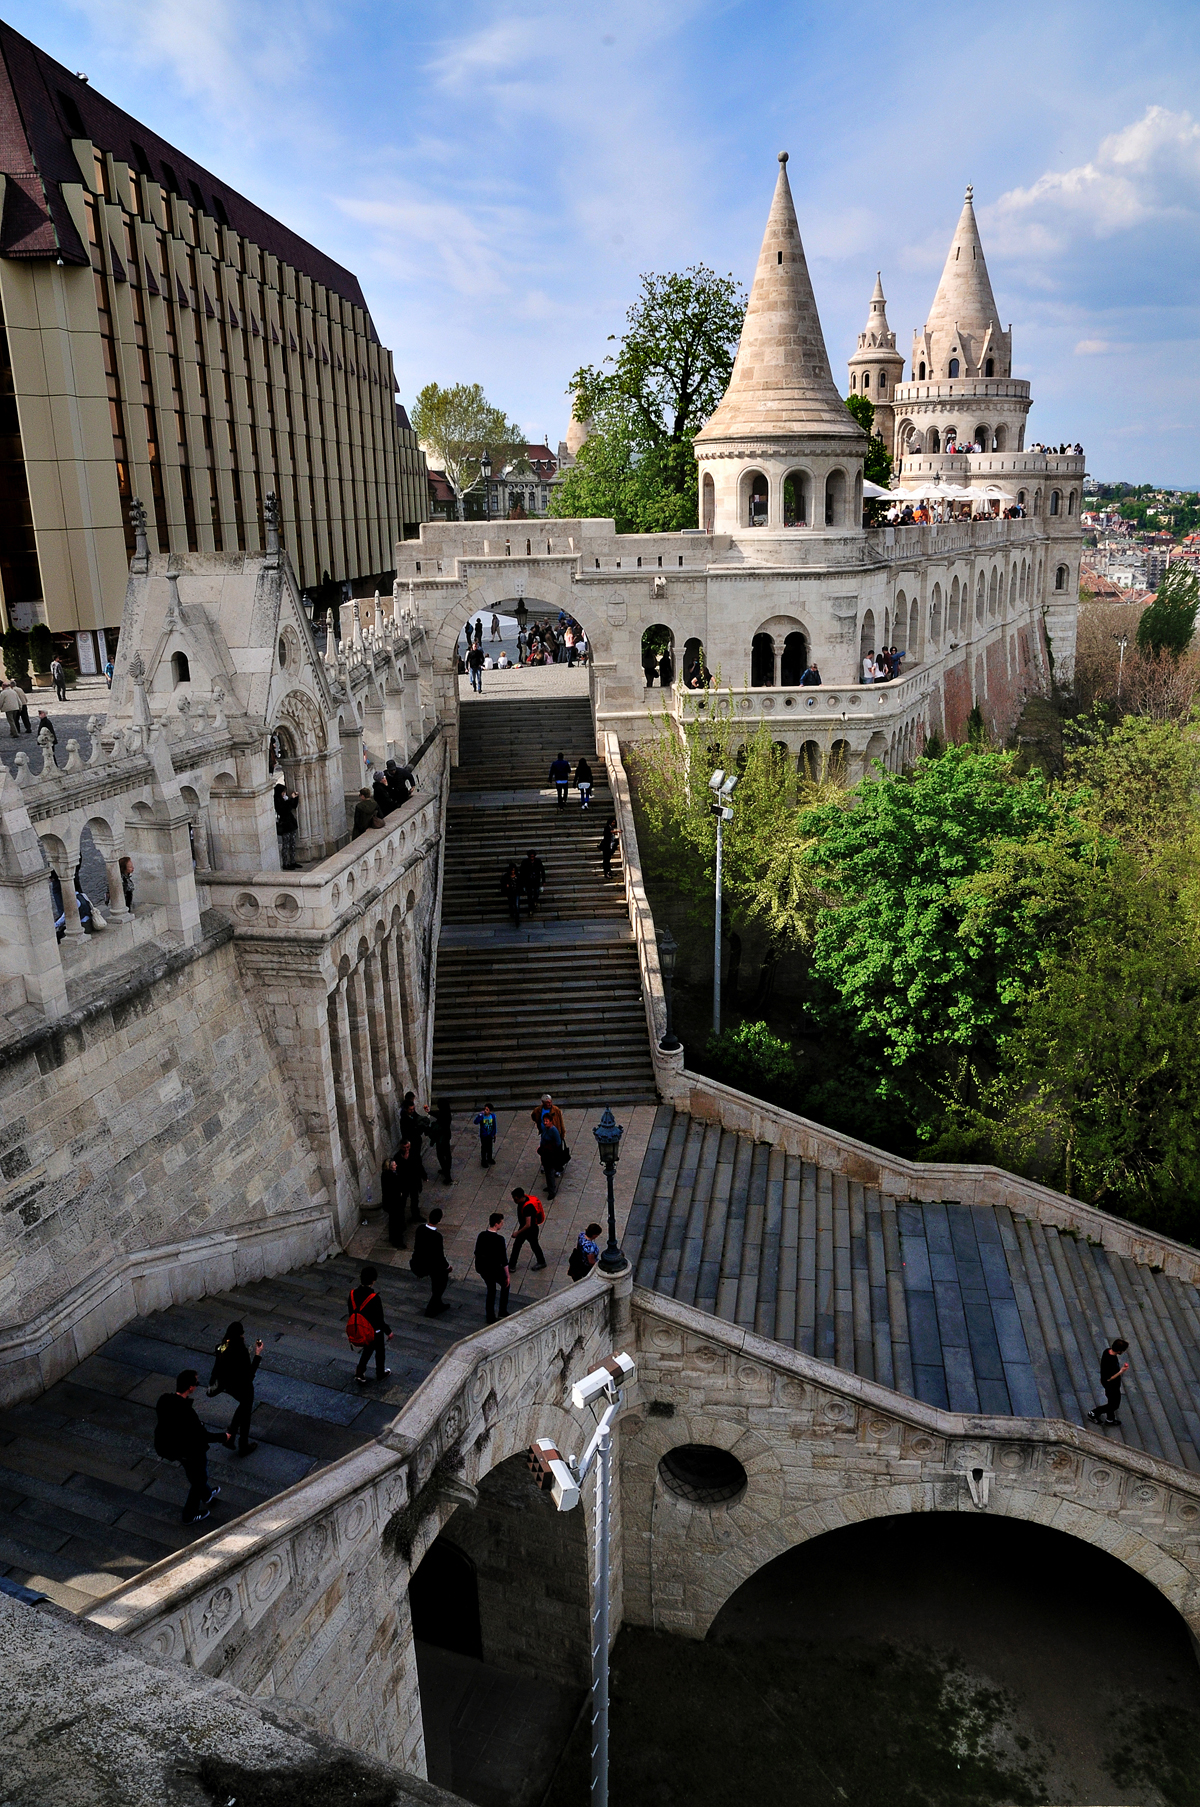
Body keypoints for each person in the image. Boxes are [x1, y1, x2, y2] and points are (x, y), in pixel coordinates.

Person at [154, 1368, 230, 1523]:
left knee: (194, 1473)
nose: (197, 1385)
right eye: (196, 1382)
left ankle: (207, 1494)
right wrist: (224, 1437)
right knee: (199, 1479)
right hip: (190, 1451)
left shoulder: (163, 1400)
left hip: (173, 1448)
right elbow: (203, 1435)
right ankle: (189, 1515)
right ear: (190, 1388)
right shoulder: (187, 1413)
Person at [207, 1321, 263, 1457]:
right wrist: (257, 1354)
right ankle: (240, 1443)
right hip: (243, 1386)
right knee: (246, 1408)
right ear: (240, 1335)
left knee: (244, 1408)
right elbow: (249, 1375)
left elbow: (218, 1357)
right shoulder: (241, 1351)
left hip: (228, 1385)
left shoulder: (224, 1344)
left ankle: (233, 1437)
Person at [349, 1264, 392, 1384]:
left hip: (359, 1328)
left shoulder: (352, 1294)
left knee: (368, 1349)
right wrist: (388, 1331)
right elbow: (379, 1319)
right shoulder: (374, 1298)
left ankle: (360, 1370)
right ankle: (380, 1373)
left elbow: (351, 1313)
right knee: (380, 1351)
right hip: (374, 1330)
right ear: (373, 1281)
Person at [412, 1206, 451, 1316]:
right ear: (439, 1220)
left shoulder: (420, 1229)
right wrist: (447, 1267)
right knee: (441, 1282)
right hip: (429, 1265)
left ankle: (438, 1303)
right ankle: (432, 1308)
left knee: (437, 1280)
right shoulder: (437, 1236)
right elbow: (439, 1256)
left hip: (418, 1262)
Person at [474, 1212, 510, 1322]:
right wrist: (507, 1275)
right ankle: (502, 1310)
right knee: (505, 1285)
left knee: (491, 1289)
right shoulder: (500, 1239)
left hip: (483, 1269)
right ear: (496, 1224)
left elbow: (476, 1252)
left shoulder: (481, 1235)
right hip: (494, 1269)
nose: (502, 1224)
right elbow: (504, 1259)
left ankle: (490, 1316)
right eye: (501, 1223)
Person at [1088, 1338, 1130, 1427]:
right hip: (1111, 1385)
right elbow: (1109, 1378)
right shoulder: (1110, 1361)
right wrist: (1121, 1371)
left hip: (1110, 1383)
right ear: (1119, 1351)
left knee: (1112, 1401)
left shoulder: (1107, 1351)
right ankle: (1094, 1413)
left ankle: (1110, 1419)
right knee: (1114, 1405)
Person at [509, 1187, 547, 1271]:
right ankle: (512, 1265)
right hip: (527, 1228)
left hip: (529, 1230)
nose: (514, 1201)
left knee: (530, 1245)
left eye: (516, 1199)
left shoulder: (528, 1207)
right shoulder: (524, 1200)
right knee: (528, 1245)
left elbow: (528, 1224)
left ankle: (512, 1266)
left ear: (521, 1197)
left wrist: (517, 1233)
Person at [536, 1108, 565, 1200]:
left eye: (547, 1121)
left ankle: (552, 1191)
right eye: (544, 1121)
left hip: (550, 1155)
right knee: (547, 1171)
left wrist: (550, 1148)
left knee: (550, 1173)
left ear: (551, 1121)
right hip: (545, 1153)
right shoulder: (545, 1129)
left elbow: (558, 1142)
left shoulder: (554, 1130)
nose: (545, 1123)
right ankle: (549, 1187)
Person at [396, 1138, 425, 1226]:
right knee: (403, 1201)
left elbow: (419, 1165)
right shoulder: (397, 1157)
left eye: (408, 1147)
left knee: (415, 1199)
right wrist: (404, 1160)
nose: (406, 1149)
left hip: (414, 1181)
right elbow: (398, 1170)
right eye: (404, 1147)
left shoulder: (414, 1154)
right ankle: (401, 1218)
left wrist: (424, 1175)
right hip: (404, 1182)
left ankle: (415, 1215)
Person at [274, 783, 300, 869]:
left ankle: (293, 861)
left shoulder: (285, 799)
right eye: (283, 792)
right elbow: (284, 810)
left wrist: (295, 798)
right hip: (285, 825)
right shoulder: (277, 801)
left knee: (292, 844)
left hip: (291, 823)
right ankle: (285, 863)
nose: (284, 794)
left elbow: (293, 806)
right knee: (286, 845)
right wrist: (290, 799)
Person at [381, 1156, 406, 1247]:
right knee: (396, 1223)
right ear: (390, 1167)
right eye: (394, 1165)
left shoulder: (386, 1175)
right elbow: (395, 1189)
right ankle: (398, 1241)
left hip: (392, 1203)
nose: (396, 1166)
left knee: (393, 1221)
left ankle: (393, 1237)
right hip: (394, 1203)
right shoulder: (390, 1177)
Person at [432, 1098, 453, 1184]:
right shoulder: (447, 1113)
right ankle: (446, 1170)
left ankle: (447, 1175)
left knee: (441, 1156)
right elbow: (438, 1115)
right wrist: (429, 1112)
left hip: (441, 1138)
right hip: (446, 1137)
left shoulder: (443, 1116)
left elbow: (439, 1117)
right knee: (447, 1154)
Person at [519, 849, 546, 915]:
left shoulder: (538, 861)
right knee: (529, 896)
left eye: (533, 856)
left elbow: (542, 871)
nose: (532, 858)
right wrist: (522, 883)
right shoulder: (525, 862)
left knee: (536, 893)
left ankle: (534, 901)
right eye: (530, 856)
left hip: (536, 881)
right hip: (528, 882)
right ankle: (530, 909)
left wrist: (543, 881)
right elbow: (522, 873)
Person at [473, 1102, 498, 1167]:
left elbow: (494, 1125)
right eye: (485, 1109)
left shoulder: (492, 1116)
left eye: (487, 1110)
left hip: (490, 1134)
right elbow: (475, 1122)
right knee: (484, 1148)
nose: (485, 1111)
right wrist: (479, 1116)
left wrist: (494, 1133)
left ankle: (489, 1158)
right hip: (484, 1135)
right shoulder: (482, 1117)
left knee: (490, 1147)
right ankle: (483, 1160)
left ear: (490, 1111)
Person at [501, 860, 522, 927]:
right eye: (511, 870)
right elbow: (502, 882)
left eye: (513, 870)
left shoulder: (518, 876)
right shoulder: (506, 876)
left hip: (516, 892)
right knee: (511, 903)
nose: (512, 871)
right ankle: (512, 912)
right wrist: (506, 885)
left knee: (516, 905)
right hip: (510, 892)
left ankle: (517, 919)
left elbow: (521, 883)